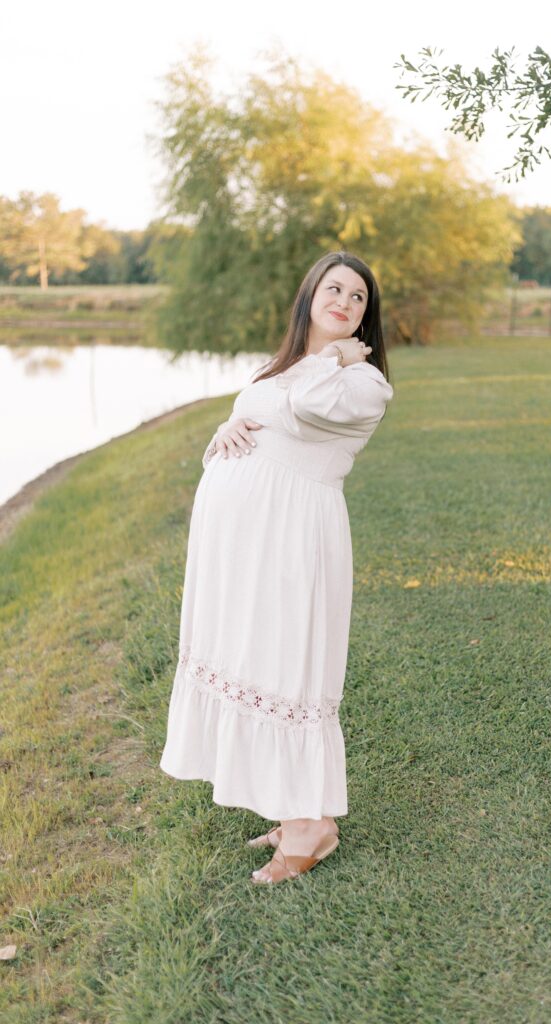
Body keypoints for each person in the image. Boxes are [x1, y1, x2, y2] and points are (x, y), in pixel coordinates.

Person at [159, 251, 394, 885]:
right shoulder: (284, 365)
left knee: (286, 661)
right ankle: (298, 812)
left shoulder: (362, 383)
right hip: (244, 545)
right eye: (334, 288)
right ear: (310, 294)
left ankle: (311, 830)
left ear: (366, 319)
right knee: (252, 655)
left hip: (293, 539)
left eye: (358, 299)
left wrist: (341, 356)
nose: (344, 302)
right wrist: (228, 425)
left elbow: (311, 406)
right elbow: (260, 410)